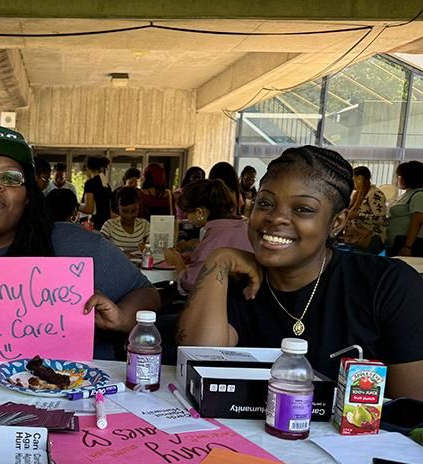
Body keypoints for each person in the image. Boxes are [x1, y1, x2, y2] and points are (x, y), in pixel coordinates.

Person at [177, 146, 423, 399]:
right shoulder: (239, 285)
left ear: (337, 223)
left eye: (302, 209)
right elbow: (200, 365)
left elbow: (411, 412)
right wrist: (219, 259)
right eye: (265, 203)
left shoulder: (389, 285)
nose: (276, 218)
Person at [0, 125, 160, 360]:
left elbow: (148, 294)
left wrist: (123, 318)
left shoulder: (77, 246)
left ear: (28, 197)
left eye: (11, 178)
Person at [163, 179, 251, 295]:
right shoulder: (240, 225)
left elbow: (192, 284)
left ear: (200, 212)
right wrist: (193, 256)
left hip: (225, 303)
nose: (188, 218)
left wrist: (177, 262)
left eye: (188, 213)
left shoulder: (216, 236)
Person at [341, 166, 387, 254]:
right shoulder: (358, 194)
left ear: (359, 178)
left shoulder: (374, 194)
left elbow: (381, 219)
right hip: (357, 237)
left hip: (370, 238)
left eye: (353, 179)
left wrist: (358, 216)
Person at [387, 161, 423, 257]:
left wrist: (408, 246)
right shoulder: (407, 194)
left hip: (409, 244)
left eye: (400, 176)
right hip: (396, 242)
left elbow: (417, 221)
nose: (398, 179)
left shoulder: (419, 195)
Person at [101, 186, 150, 256]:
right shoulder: (109, 226)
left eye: (134, 211)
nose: (129, 215)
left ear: (139, 207)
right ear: (118, 209)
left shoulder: (145, 225)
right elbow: (101, 247)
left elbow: (151, 249)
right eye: (124, 211)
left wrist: (146, 249)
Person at [79, 156, 112, 230]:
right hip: (106, 225)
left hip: (93, 224)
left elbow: (89, 208)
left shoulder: (90, 183)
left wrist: (75, 205)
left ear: (87, 168)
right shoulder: (106, 185)